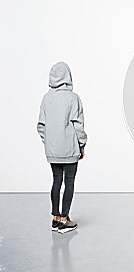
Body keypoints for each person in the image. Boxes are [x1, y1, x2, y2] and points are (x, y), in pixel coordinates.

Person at [37, 62, 87, 234]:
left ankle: (55, 218)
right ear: (68, 77)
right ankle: (65, 220)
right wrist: (81, 145)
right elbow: (78, 126)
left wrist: (49, 142)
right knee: (69, 182)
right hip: (70, 149)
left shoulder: (46, 98)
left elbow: (41, 126)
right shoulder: (73, 98)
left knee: (56, 180)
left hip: (52, 150)